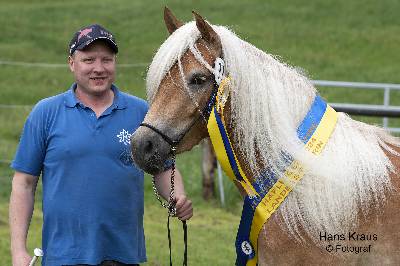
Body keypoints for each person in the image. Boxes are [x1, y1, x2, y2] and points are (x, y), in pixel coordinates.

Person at [9, 24, 193, 266]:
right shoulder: (46, 113)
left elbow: (163, 169)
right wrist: (18, 250)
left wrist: (176, 197)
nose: (99, 68)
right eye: (88, 60)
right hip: (63, 255)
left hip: (122, 254)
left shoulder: (140, 112)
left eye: (107, 60)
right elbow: (24, 183)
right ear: (71, 63)